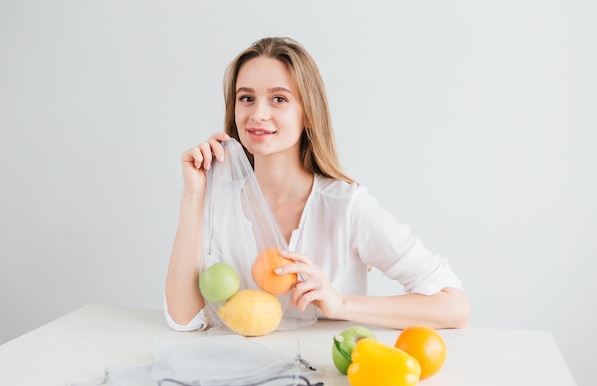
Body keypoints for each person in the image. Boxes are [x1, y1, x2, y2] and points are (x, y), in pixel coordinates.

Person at [164, 37, 470, 332]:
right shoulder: (216, 201)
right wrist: (193, 196)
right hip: (238, 377)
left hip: (324, 378)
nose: (258, 113)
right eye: (247, 98)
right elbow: (184, 320)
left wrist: (341, 304)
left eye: (279, 99)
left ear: (308, 113)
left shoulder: (345, 206)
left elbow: (454, 305)